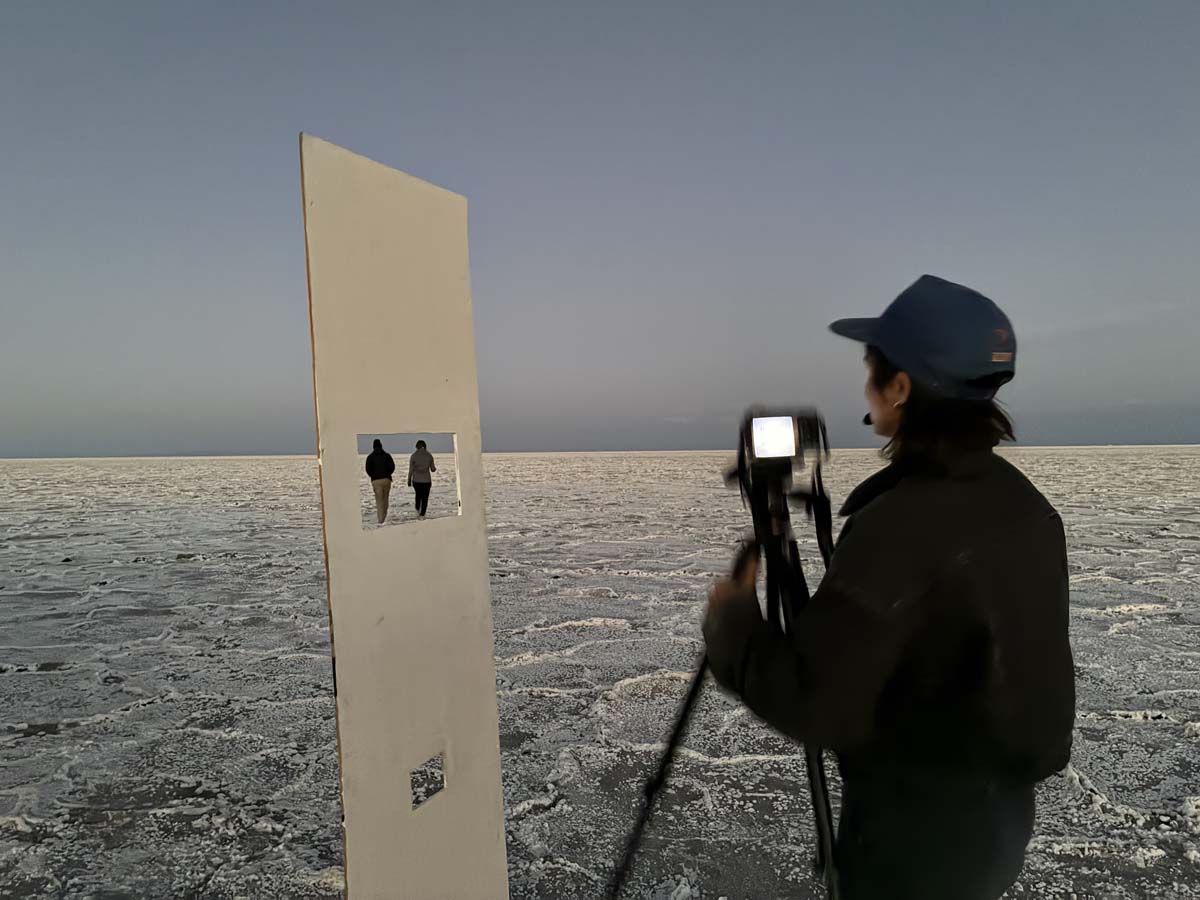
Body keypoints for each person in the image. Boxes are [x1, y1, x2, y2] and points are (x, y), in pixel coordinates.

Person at [703, 275, 1075, 900]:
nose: (866, 386)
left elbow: (815, 700)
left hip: (915, 841)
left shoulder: (901, 526)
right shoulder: (1023, 504)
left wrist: (733, 622)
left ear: (901, 387)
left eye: (873, 370)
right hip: (998, 819)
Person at [364, 438, 395, 524]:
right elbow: (392, 467)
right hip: (386, 479)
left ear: (373, 447)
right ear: (381, 446)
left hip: (376, 481)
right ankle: (383, 516)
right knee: (385, 499)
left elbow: (368, 469)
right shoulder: (387, 455)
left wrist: (373, 476)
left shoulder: (370, 457)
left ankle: (380, 519)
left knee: (379, 500)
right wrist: (388, 473)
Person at [408, 440, 437, 519]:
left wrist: (409, 480)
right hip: (426, 481)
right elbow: (433, 469)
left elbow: (410, 470)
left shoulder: (413, 456)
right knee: (425, 498)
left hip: (416, 481)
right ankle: (422, 514)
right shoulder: (429, 455)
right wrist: (434, 468)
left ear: (417, 446)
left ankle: (417, 510)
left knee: (418, 495)